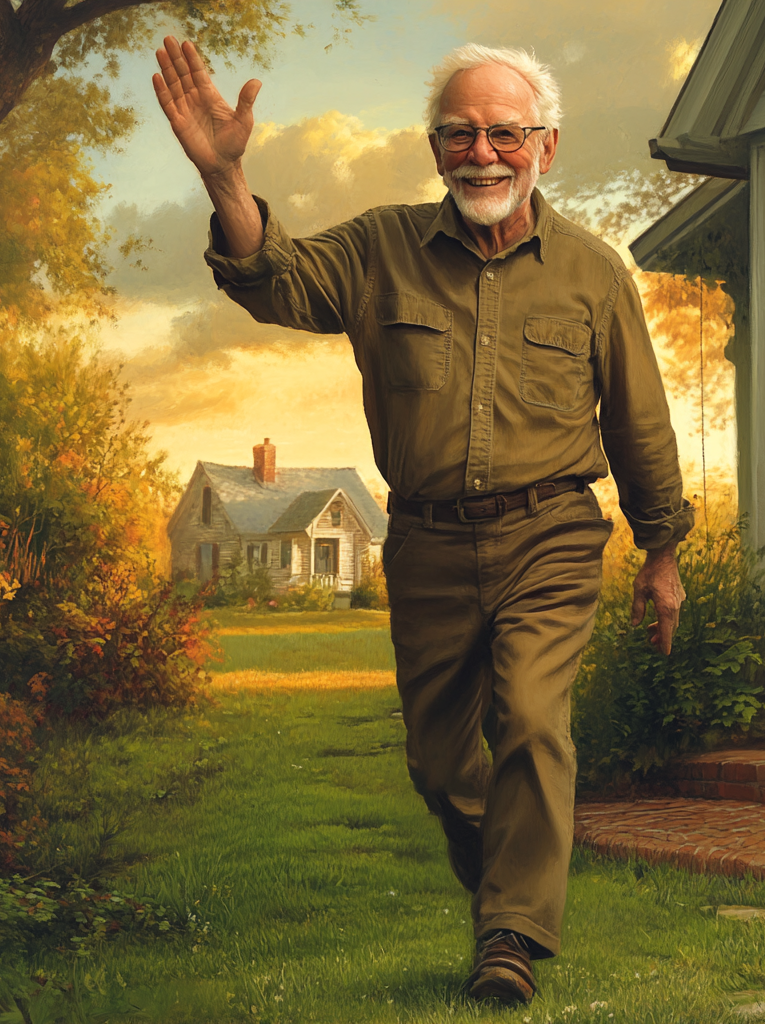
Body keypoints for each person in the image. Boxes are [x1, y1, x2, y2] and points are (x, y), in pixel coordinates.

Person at [153, 37, 694, 1006]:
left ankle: (511, 937)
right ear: (434, 145)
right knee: (438, 759)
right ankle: (509, 889)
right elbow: (271, 277)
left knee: (531, 717)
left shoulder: (590, 272)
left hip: (551, 532)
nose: (481, 151)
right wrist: (226, 176)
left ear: (546, 145)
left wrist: (662, 549)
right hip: (428, 542)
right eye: (458, 133)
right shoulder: (378, 249)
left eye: (503, 132)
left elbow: (636, 417)